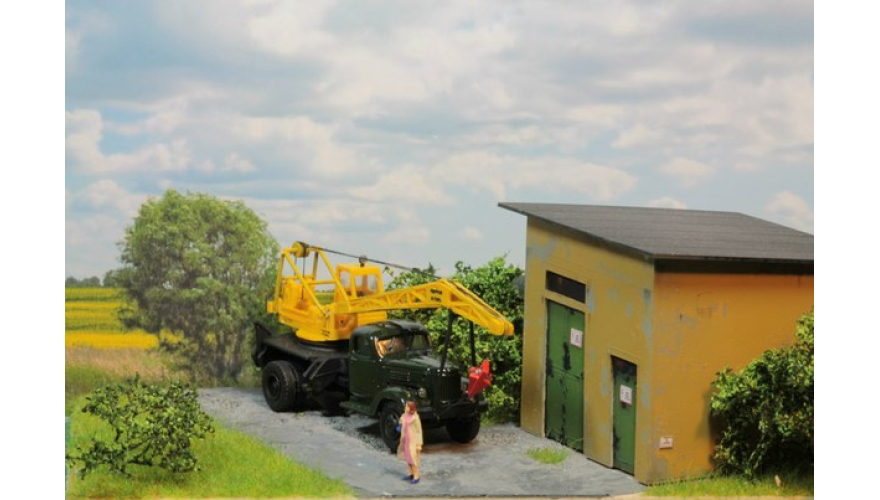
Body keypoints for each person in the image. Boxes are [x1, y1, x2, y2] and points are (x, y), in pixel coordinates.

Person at [396, 399, 423, 484]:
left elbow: (419, 431)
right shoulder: (404, 415)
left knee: (413, 459)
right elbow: (401, 422)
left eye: (407, 406)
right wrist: (399, 426)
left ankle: (416, 475)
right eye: (406, 406)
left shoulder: (415, 418)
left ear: (411, 408)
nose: (405, 408)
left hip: (413, 441)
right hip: (406, 440)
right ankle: (411, 473)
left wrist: (419, 444)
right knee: (408, 458)